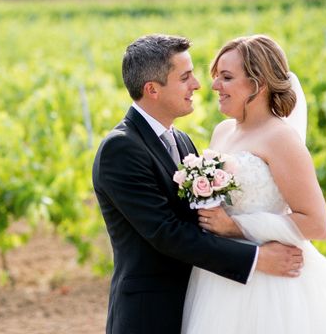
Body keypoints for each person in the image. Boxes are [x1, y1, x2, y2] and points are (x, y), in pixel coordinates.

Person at [92, 34, 303, 334]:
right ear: (152, 89)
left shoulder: (181, 140)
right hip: (150, 313)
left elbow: (202, 216)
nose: (197, 85)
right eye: (185, 77)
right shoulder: (121, 149)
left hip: (200, 301)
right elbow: (167, 233)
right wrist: (256, 258)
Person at [181, 34, 326, 333]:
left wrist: (235, 227)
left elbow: (316, 224)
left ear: (257, 84)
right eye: (216, 76)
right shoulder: (222, 132)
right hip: (222, 274)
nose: (214, 86)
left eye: (226, 77)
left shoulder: (281, 138)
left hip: (273, 281)